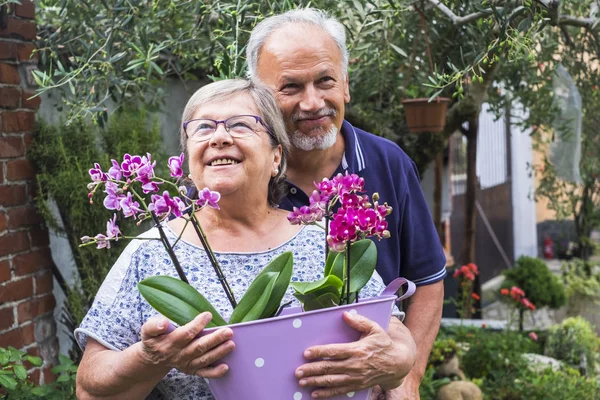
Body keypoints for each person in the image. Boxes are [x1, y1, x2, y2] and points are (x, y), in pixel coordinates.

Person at [74, 79, 416, 400]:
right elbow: (89, 385)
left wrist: (396, 361)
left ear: (276, 157)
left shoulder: (324, 240)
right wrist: (151, 358)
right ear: (187, 163)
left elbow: (393, 331)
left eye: (240, 124)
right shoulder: (151, 251)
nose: (219, 138)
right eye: (203, 127)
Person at [246, 8, 447, 399]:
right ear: (260, 98)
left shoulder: (388, 163)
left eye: (325, 81)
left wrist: (407, 382)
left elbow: (427, 281)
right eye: (290, 87)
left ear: (346, 86)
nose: (312, 102)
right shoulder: (240, 176)